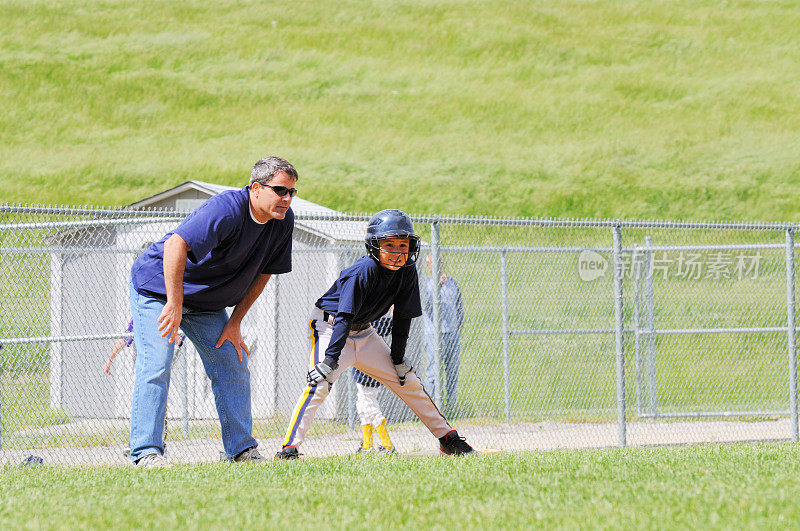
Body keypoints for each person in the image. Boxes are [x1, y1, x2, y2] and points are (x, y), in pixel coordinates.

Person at [128, 155, 298, 466]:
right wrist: (175, 304)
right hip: (159, 289)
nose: (286, 199)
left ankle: (241, 450)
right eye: (280, 190)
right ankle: (145, 454)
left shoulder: (282, 222)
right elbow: (175, 245)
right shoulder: (228, 208)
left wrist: (235, 323)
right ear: (256, 188)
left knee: (232, 363)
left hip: (206, 303)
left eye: (291, 192)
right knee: (157, 363)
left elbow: (263, 275)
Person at [275, 209, 475, 460]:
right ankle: (289, 448)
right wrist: (329, 360)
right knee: (320, 383)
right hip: (331, 327)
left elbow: (403, 318)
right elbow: (344, 317)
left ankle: (447, 439)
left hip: (365, 332)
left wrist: (398, 359)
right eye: (388, 244)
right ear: (374, 246)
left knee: (409, 381)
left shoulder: (408, 271)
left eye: (403, 244)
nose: (397, 251)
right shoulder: (363, 270)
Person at [423, 254, 465, 409]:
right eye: (434, 263)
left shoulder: (452, 282)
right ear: (428, 265)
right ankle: (431, 407)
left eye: (440, 262)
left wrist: (459, 325)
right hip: (433, 334)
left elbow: (459, 305)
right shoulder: (426, 283)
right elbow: (426, 305)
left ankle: (452, 406)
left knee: (452, 371)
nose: (438, 265)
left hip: (452, 333)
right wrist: (437, 286)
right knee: (433, 372)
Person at [352, 310, 395, 454]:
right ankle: (367, 445)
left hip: (367, 373)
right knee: (362, 406)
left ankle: (388, 445)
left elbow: (391, 324)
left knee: (369, 406)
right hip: (364, 371)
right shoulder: (374, 320)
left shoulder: (370, 321)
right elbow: (391, 323)